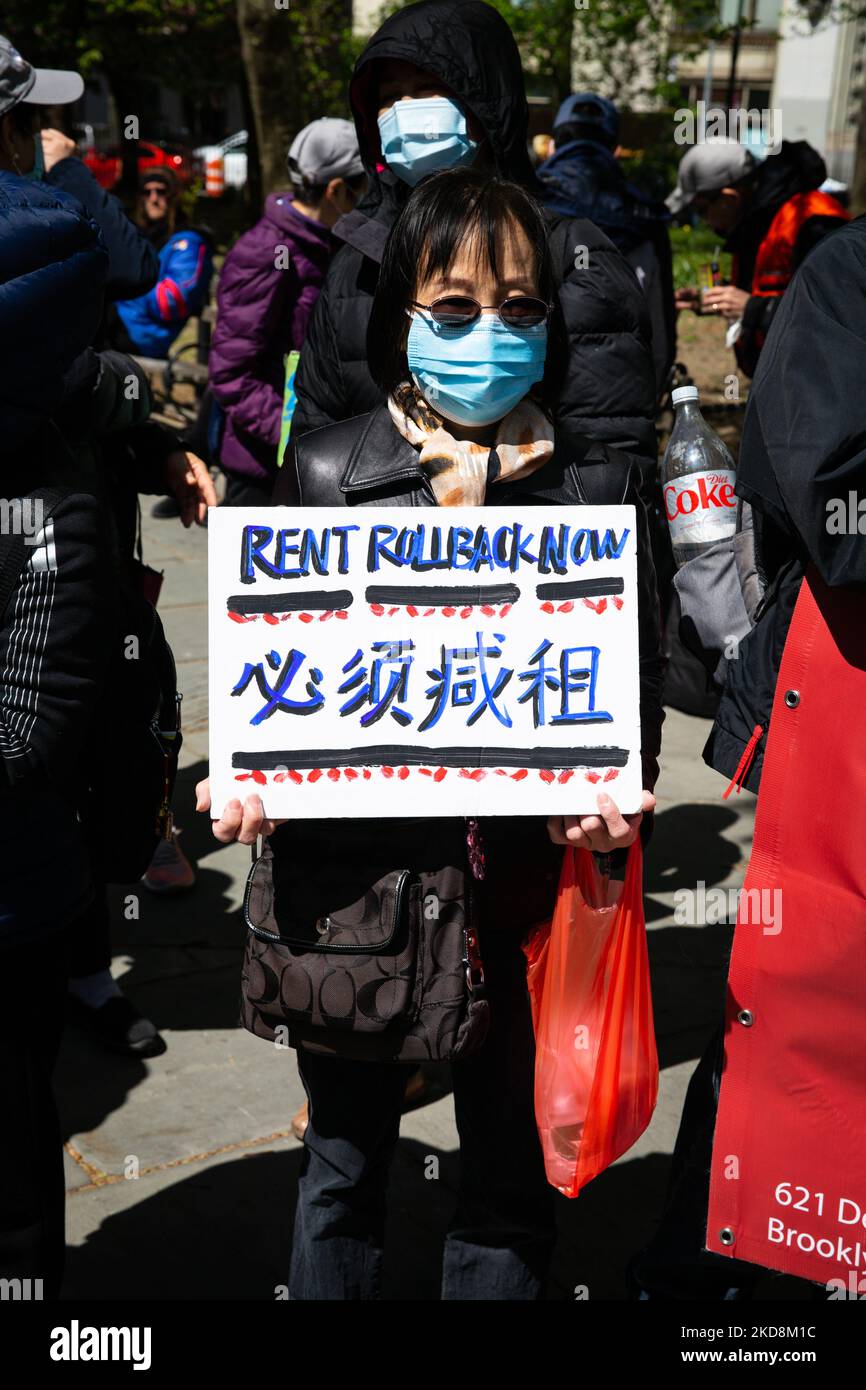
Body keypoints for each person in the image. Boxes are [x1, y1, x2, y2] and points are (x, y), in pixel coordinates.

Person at [199, 166, 665, 1300]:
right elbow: (279, 670)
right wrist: (249, 773)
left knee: (507, 1190)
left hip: (521, 913)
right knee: (341, 1172)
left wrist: (610, 796)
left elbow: (622, 699)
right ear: (401, 310)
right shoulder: (322, 470)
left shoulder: (594, 491)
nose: (487, 334)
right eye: (453, 308)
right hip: (355, 908)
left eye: (518, 308)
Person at [630, 214, 866, 1301]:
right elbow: (833, 503)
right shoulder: (847, 274)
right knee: (791, 1019)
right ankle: (710, 1271)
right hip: (836, 721)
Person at [290, 0, 657, 484]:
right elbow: (315, 435)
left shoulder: (570, 257)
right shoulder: (355, 260)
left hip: (536, 548)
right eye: (389, 95)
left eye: (427, 89)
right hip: (378, 544)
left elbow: (612, 464)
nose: (404, 111)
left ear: (486, 105)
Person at [209, 118, 367, 507]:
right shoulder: (268, 253)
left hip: (310, 459)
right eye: (362, 187)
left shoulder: (328, 245)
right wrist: (295, 431)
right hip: (263, 472)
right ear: (335, 190)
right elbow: (231, 374)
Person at [668, 136, 848, 376]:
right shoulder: (755, 223)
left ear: (729, 197)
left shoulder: (814, 222)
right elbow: (767, 291)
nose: (702, 220)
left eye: (700, 209)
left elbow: (838, 312)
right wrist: (716, 299)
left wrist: (752, 308)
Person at [537, 92, 675, 399]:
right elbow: (661, 338)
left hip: (534, 405)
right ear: (616, 151)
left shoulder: (522, 204)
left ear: (551, 147)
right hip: (620, 400)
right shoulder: (647, 218)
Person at [114, 166, 214, 359]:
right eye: (147, 192)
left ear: (173, 196)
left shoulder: (188, 242)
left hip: (141, 337)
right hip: (117, 326)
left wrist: (122, 284)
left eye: (160, 191)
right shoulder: (137, 235)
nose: (153, 198)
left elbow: (170, 301)